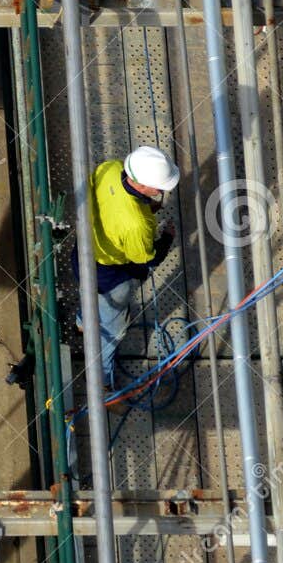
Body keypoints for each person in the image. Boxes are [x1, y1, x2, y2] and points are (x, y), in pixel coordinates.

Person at [73, 145, 180, 388]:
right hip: (109, 275)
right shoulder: (137, 224)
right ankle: (104, 383)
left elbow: (108, 202)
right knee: (112, 332)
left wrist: (144, 208)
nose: (161, 191)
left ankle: (82, 322)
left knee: (86, 295)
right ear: (142, 185)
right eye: (159, 188)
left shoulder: (109, 168)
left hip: (83, 251)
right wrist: (167, 238)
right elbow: (146, 258)